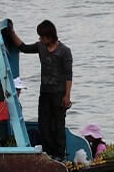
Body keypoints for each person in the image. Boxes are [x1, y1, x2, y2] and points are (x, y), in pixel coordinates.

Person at [8, 19, 73, 161]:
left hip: (59, 94)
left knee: (58, 126)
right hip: (44, 93)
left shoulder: (64, 51)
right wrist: (12, 33)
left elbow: (69, 75)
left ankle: (60, 156)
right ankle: (49, 154)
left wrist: (67, 95)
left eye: (42, 37)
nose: (40, 39)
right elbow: (23, 48)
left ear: (50, 37)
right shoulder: (40, 47)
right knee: (44, 126)